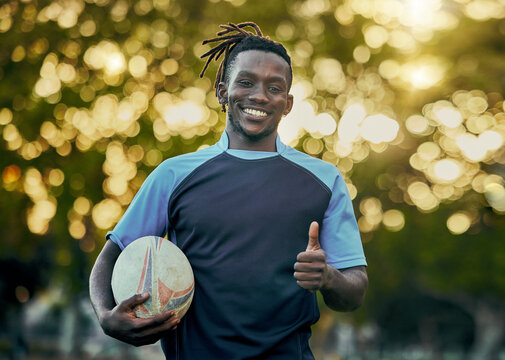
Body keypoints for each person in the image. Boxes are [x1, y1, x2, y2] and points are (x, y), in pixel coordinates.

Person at [89, 22, 368, 359]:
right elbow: (112, 254)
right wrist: (106, 315)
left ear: (288, 102)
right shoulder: (174, 175)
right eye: (246, 82)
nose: (260, 96)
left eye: (274, 87)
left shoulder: (324, 180)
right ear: (222, 91)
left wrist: (328, 278)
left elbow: (354, 291)